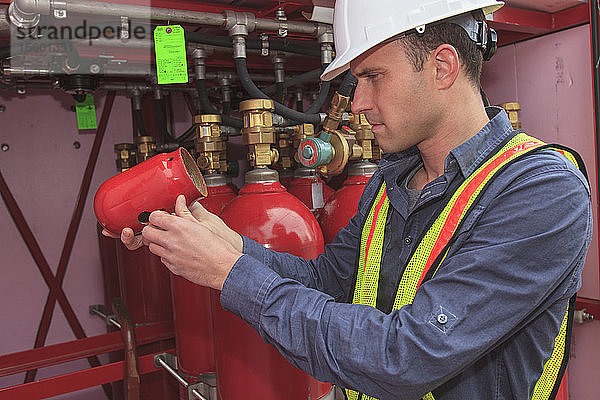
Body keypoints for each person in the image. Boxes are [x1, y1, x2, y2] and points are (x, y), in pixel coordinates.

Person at [106, 0, 593, 398]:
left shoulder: (541, 191)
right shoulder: (391, 182)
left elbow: (406, 358)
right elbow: (327, 282)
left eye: (374, 76)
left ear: (443, 67)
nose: (357, 102)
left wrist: (232, 274)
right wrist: (215, 242)